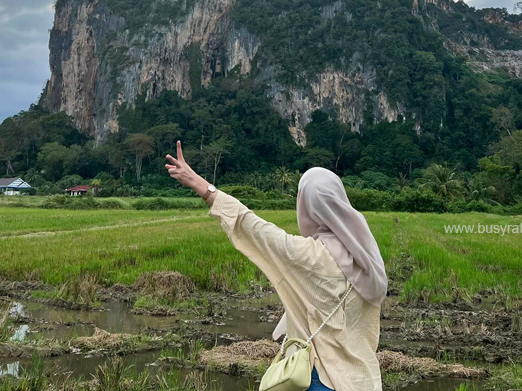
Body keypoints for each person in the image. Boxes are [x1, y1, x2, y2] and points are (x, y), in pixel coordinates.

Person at [166, 141, 387, 391]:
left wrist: (198, 182)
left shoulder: (307, 256)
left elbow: (250, 225)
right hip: (363, 380)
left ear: (305, 206)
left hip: (322, 380)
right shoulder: (367, 259)